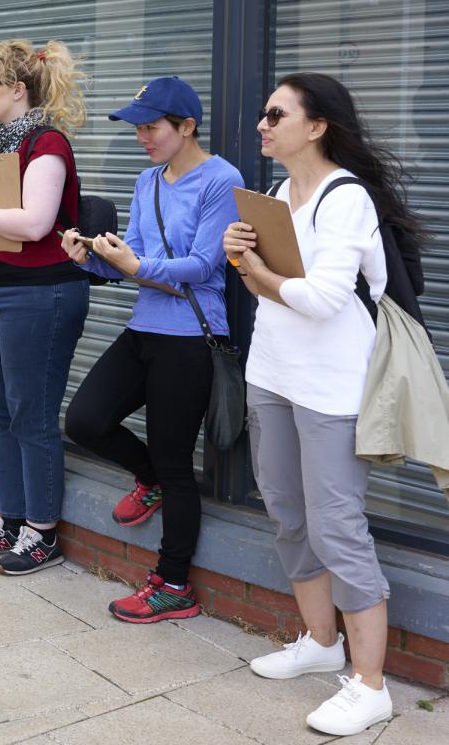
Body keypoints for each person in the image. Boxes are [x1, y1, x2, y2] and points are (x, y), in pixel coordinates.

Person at [224, 73, 420, 737]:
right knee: (285, 511)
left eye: (274, 113)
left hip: (333, 387)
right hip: (273, 374)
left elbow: (323, 299)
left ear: (315, 127)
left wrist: (256, 274)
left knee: (336, 526)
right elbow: (280, 295)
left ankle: (370, 685)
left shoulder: (346, 200)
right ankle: (319, 642)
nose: (261, 123)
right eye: (262, 111)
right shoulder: (277, 192)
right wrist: (244, 261)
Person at [60, 77, 244, 622]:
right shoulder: (148, 180)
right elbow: (135, 255)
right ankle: (152, 481)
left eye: (152, 126)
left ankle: (173, 584)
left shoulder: (222, 179)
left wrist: (136, 267)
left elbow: (205, 268)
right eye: (137, 127)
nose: (142, 136)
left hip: (190, 336)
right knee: (86, 420)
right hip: (145, 327)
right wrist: (91, 257)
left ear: (186, 127)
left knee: (174, 458)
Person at [0, 39, 89, 575]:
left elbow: (33, 224)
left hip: (41, 293)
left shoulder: (46, 143)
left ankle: (43, 532)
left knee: (31, 411)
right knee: (1, 410)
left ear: (18, 90)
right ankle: (13, 520)